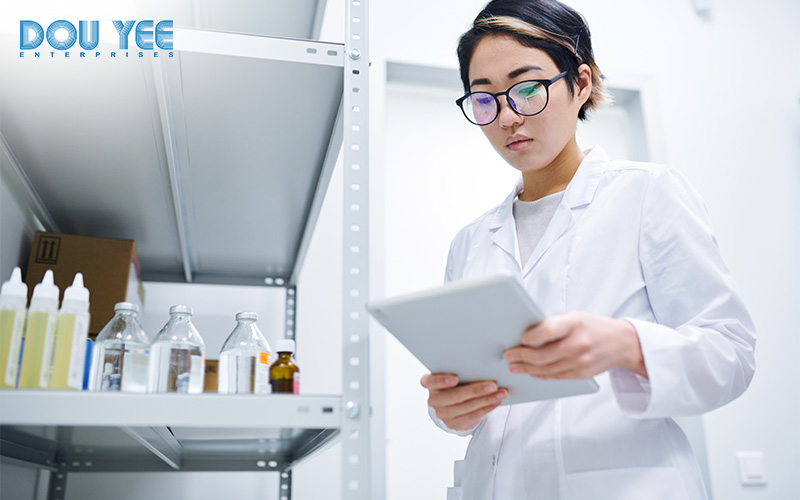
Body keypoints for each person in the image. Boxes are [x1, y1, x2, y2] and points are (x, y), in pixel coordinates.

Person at [419, 1, 757, 499]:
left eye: (528, 87)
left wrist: (625, 344)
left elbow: (732, 354)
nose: (508, 116)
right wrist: (447, 410)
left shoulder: (648, 193)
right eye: (485, 99)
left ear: (580, 84)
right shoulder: (470, 242)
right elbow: (469, 392)